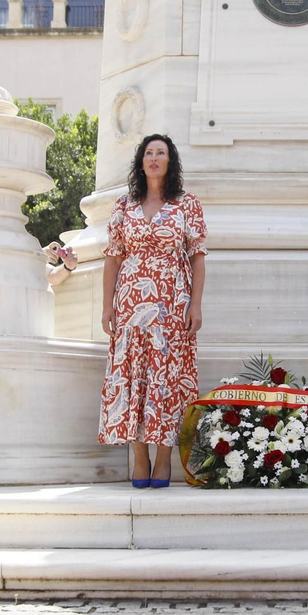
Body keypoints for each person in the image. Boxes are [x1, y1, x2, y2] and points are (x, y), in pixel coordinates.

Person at [98, 134, 206, 488]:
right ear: (141, 161)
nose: (154, 158)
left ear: (170, 161)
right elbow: (113, 258)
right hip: (130, 305)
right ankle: (139, 457)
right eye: (149, 153)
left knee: (167, 378)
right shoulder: (123, 206)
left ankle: (163, 459)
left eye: (161, 153)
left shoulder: (187, 205)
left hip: (172, 304)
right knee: (134, 377)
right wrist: (106, 307)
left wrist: (196, 303)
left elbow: (197, 257)